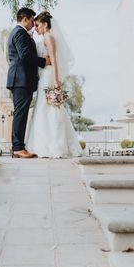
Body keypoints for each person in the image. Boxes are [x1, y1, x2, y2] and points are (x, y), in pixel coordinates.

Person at [25, 11, 82, 158]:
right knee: (43, 108)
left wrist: (56, 80)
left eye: (37, 25)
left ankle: (55, 145)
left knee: (51, 108)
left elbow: (55, 61)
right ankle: (45, 144)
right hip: (44, 75)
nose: (35, 28)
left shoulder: (49, 38)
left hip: (49, 76)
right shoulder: (44, 38)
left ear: (45, 24)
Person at [6, 7, 51, 158]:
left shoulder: (19, 33)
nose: (33, 24)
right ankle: (18, 148)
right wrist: (44, 61)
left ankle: (18, 147)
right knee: (20, 113)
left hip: (22, 79)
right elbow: (25, 55)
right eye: (32, 21)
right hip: (21, 79)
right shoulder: (19, 32)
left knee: (21, 113)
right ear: (24, 19)